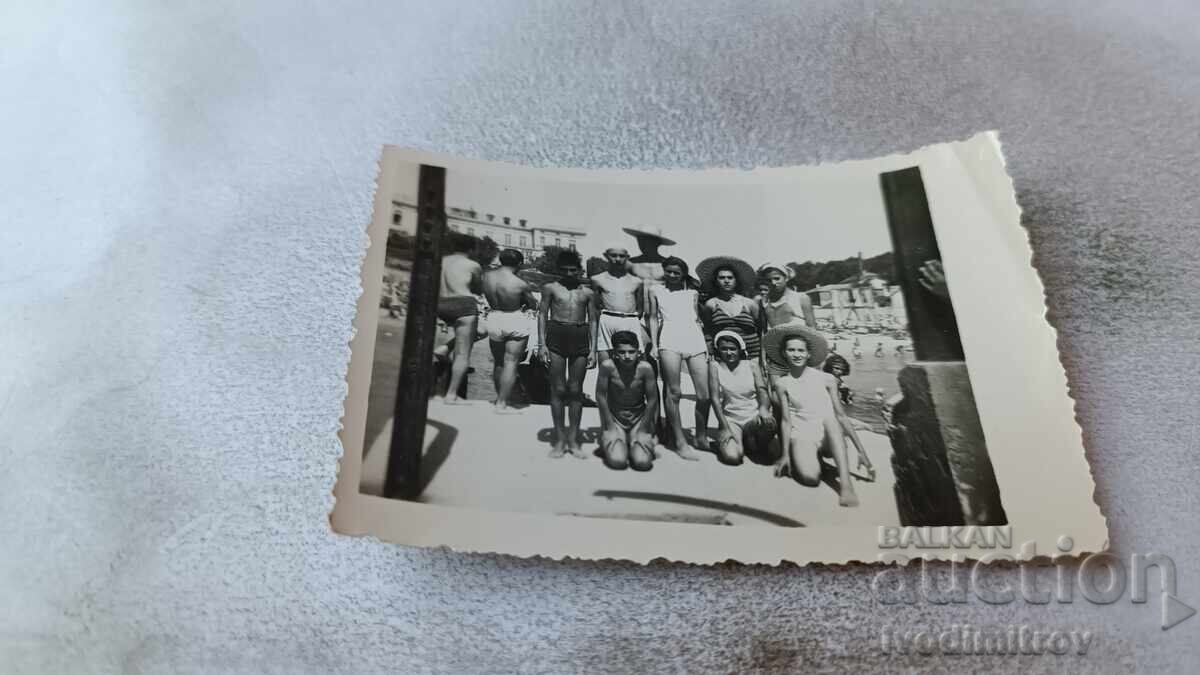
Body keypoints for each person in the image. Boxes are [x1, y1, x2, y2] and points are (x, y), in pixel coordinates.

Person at [764, 324, 859, 507]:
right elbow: (785, 420)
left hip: (827, 434)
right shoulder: (782, 383)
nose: (796, 354)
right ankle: (811, 458)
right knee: (810, 478)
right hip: (802, 433)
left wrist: (863, 453)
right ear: (784, 353)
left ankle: (846, 486)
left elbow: (841, 416)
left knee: (830, 419)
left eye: (801, 350)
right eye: (791, 350)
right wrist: (785, 455)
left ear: (808, 354)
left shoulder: (827, 378)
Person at [648, 256, 711, 459]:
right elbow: (652, 318)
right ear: (664, 271)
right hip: (669, 339)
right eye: (669, 271)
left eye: (677, 272)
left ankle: (700, 437)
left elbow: (699, 319)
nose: (673, 275)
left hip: (694, 339)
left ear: (683, 273)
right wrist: (655, 345)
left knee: (704, 395)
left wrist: (705, 344)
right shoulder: (655, 291)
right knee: (673, 392)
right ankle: (679, 441)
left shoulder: (692, 292)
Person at [538, 250, 597, 459]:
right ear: (559, 270)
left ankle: (573, 439)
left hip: (580, 335)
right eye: (566, 270)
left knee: (575, 389)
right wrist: (541, 344)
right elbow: (542, 315)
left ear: (579, 270)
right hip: (556, 334)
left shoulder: (588, 292)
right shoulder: (550, 288)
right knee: (558, 389)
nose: (570, 274)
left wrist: (593, 349)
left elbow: (593, 320)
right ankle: (559, 438)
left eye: (574, 270)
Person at [708, 331, 777, 465]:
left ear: (740, 349)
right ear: (718, 350)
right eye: (724, 349)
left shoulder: (751, 365)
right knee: (733, 457)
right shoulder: (714, 367)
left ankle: (754, 442)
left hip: (753, 417)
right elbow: (715, 399)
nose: (729, 353)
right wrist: (724, 427)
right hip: (731, 420)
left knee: (769, 423)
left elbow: (762, 390)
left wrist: (763, 409)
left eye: (733, 349)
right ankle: (742, 442)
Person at [482, 249, 538, 413]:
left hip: (493, 317)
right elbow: (533, 304)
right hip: (514, 318)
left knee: (498, 362)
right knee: (511, 363)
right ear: (520, 264)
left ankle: (499, 398)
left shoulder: (487, 276)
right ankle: (502, 403)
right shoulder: (520, 283)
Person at [596, 330, 659, 471]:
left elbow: (652, 399)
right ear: (615, 353)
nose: (627, 356)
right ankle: (620, 441)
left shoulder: (645, 368)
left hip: (638, 419)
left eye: (631, 352)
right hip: (616, 418)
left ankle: (633, 440)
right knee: (618, 462)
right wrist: (609, 427)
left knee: (642, 463)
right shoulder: (608, 367)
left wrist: (643, 429)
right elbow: (600, 396)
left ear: (638, 352)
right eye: (622, 352)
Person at [437, 233, 483, 404]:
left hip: (440, 304)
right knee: (463, 354)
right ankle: (451, 395)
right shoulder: (472, 265)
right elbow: (478, 289)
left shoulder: (441, 260)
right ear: (471, 249)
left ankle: (444, 348)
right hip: (463, 304)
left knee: (481, 330)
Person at [823, 352, 876, 482]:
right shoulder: (829, 381)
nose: (839, 371)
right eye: (836, 368)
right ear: (829, 367)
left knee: (868, 427)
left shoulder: (838, 382)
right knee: (865, 428)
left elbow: (845, 403)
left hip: (836, 415)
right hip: (829, 417)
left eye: (841, 369)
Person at [696, 256, 762, 359]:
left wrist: (762, 357)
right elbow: (708, 330)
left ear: (736, 280)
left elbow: (760, 329)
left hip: (751, 353)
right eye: (722, 278)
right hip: (723, 354)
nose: (726, 281)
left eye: (730, 277)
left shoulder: (749, 303)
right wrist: (710, 350)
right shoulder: (711, 304)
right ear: (716, 281)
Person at [590, 245, 647, 363]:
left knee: (634, 362)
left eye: (621, 256)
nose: (617, 259)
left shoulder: (637, 281)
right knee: (606, 363)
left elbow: (640, 309)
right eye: (613, 255)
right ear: (606, 256)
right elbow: (595, 310)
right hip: (607, 320)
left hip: (630, 321)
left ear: (627, 257)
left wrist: (629, 320)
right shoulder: (597, 279)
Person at [757, 262, 817, 330]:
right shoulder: (765, 302)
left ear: (786, 278)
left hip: (799, 338)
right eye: (769, 280)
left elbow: (812, 327)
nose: (773, 283)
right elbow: (763, 328)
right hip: (774, 338)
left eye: (777, 278)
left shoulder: (801, 298)